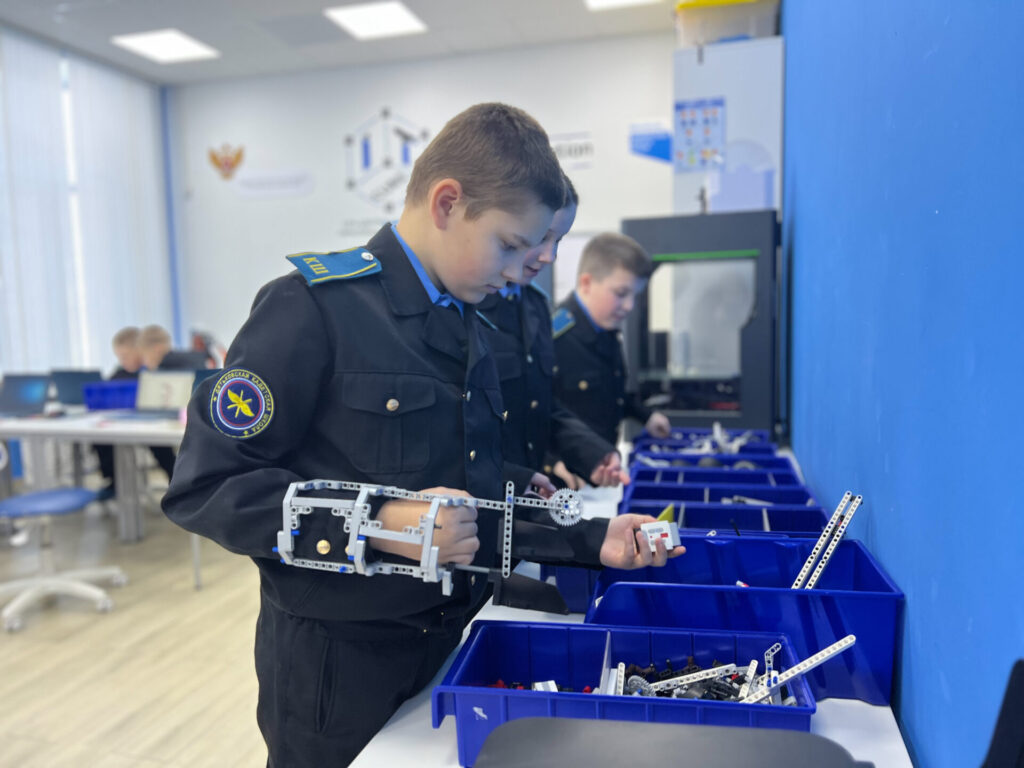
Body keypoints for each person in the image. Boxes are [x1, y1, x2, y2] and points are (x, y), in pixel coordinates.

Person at [162, 103, 684, 768]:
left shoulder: (468, 323)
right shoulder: (311, 307)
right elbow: (207, 487)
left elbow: (464, 495)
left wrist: (589, 539)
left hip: (448, 642)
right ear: (446, 203)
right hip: (339, 666)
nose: (519, 269)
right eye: (510, 245)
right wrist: (379, 523)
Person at [476, 177, 628, 496]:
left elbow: (539, 403)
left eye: (558, 241)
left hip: (528, 497)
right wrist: (538, 469)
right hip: (484, 497)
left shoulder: (534, 305)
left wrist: (591, 453)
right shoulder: (470, 305)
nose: (550, 256)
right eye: (541, 237)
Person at [550, 232, 671, 486]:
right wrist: (549, 461)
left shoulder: (606, 331)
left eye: (635, 295)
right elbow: (533, 409)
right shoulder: (554, 336)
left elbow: (611, 394)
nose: (629, 306)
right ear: (586, 283)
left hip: (603, 473)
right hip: (566, 481)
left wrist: (646, 416)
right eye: (621, 293)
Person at [94, 326, 176, 496]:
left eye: (125, 356)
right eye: (119, 358)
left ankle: (174, 478)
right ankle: (113, 481)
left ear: (139, 350)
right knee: (100, 439)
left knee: (158, 443)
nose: (122, 361)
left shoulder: (154, 369)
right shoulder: (120, 374)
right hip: (125, 423)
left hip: (152, 423)